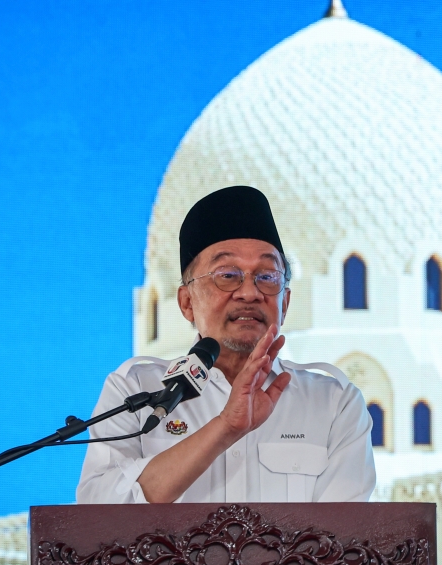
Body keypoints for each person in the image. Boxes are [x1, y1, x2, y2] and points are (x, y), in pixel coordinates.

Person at [76, 186, 376, 504]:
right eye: (228, 275)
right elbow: (99, 511)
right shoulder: (134, 390)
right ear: (186, 302)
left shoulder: (334, 403)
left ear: (285, 303)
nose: (249, 292)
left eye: (267, 276)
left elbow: (343, 541)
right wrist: (225, 428)